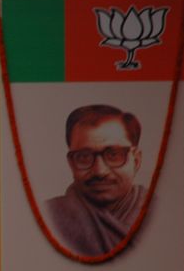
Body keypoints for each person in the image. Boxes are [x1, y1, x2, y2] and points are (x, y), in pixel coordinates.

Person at [45, 104, 147, 256]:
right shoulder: (48, 215)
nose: (100, 171)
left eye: (113, 155)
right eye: (84, 157)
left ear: (136, 161)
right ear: (71, 163)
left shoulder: (159, 213)